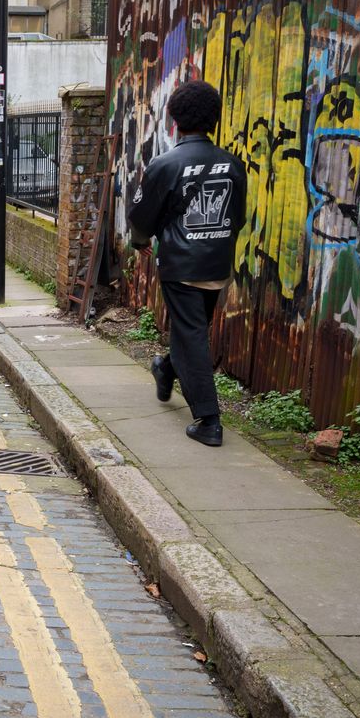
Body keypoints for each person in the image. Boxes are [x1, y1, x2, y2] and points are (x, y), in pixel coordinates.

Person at [127, 79, 248, 447]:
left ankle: (208, 420)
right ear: (213, 119)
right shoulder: (233, 165)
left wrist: (140, 241)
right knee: (191, 330)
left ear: (174, 119)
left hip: (181, 264)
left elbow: (140, 213)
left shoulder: (165, 164)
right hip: (215, 265)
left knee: (192, 334)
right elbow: (238, 217)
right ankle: (165, 369)